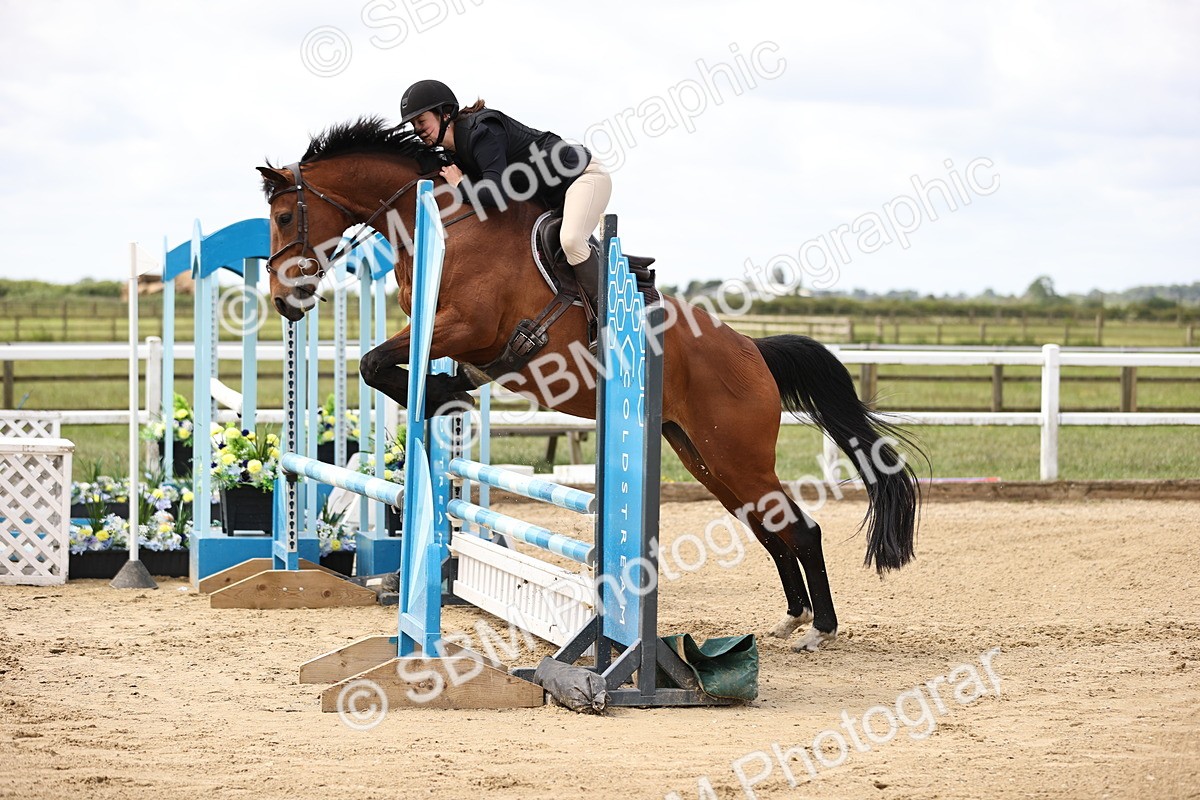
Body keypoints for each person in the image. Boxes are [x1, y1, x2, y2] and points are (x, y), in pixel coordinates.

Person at [400, 79, 611, 341]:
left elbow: (495, 194)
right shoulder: (453, 152)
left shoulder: (483, 131)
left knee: (571, 240)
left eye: (421, 121)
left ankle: (609, 318)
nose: (417, 129)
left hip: (584, 178)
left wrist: (461, 184)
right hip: (551, 198)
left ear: (445, 114)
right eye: (413, 125)